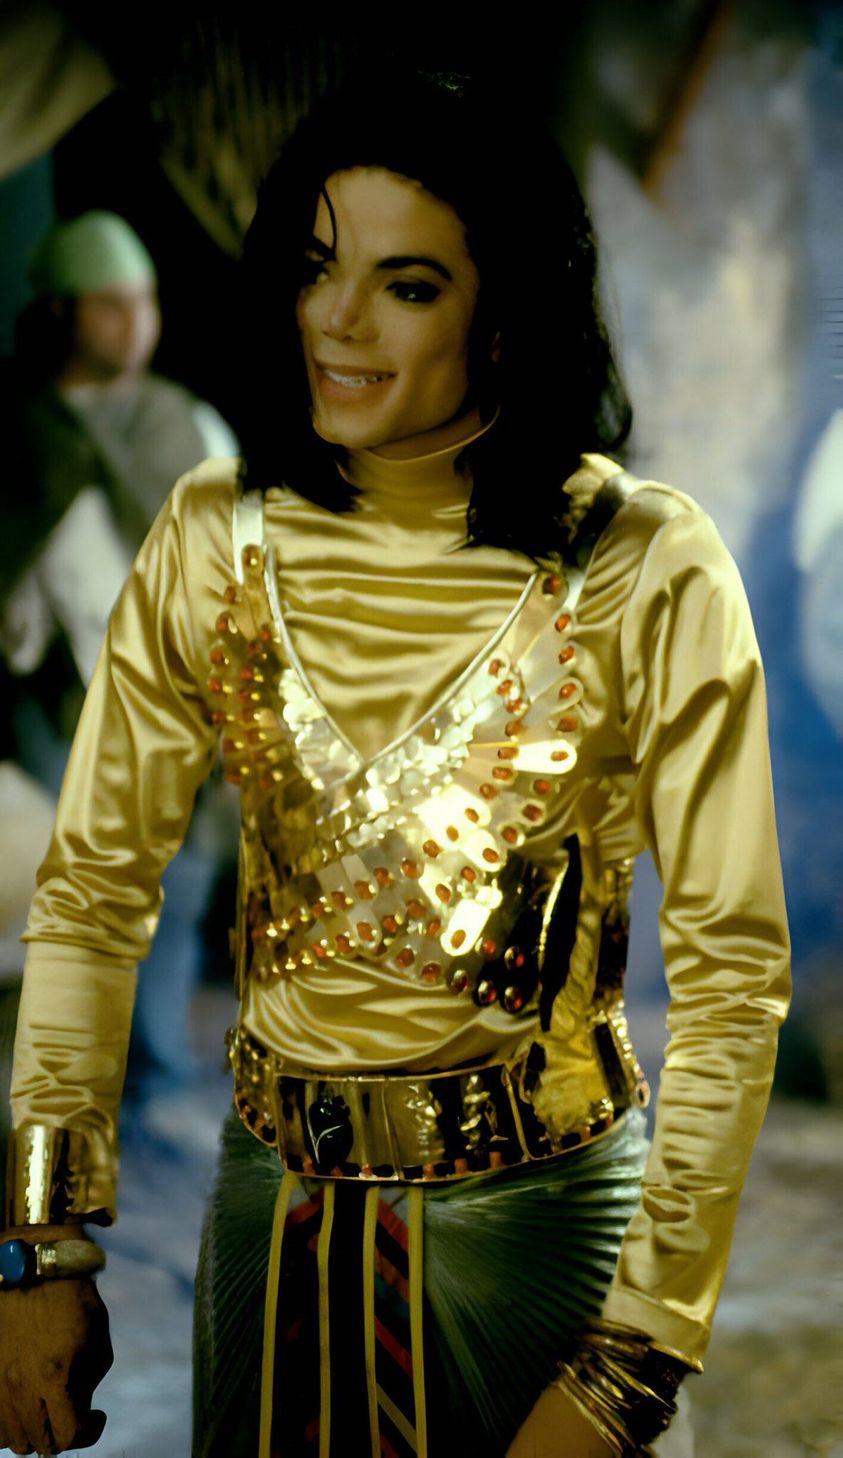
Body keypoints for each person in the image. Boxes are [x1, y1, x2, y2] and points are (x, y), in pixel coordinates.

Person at [0, 70, 790, 1457]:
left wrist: (638, 1353)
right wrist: (40, 1242)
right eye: (317, 267)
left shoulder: (643, 564)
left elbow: (732, 978)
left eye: (406, 284)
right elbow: (91, 891)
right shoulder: (211, 535)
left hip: (540, 1238)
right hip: (268, 1227)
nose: (337, 319)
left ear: (509, 310)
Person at [0, 209, 239, 1105]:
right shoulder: (20, 425)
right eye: (111, 304)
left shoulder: (187, 425)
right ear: (62, 313)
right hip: (57, 700)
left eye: (145, 302)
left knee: (174, 884)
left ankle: (154, 1082)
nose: (136, 323)